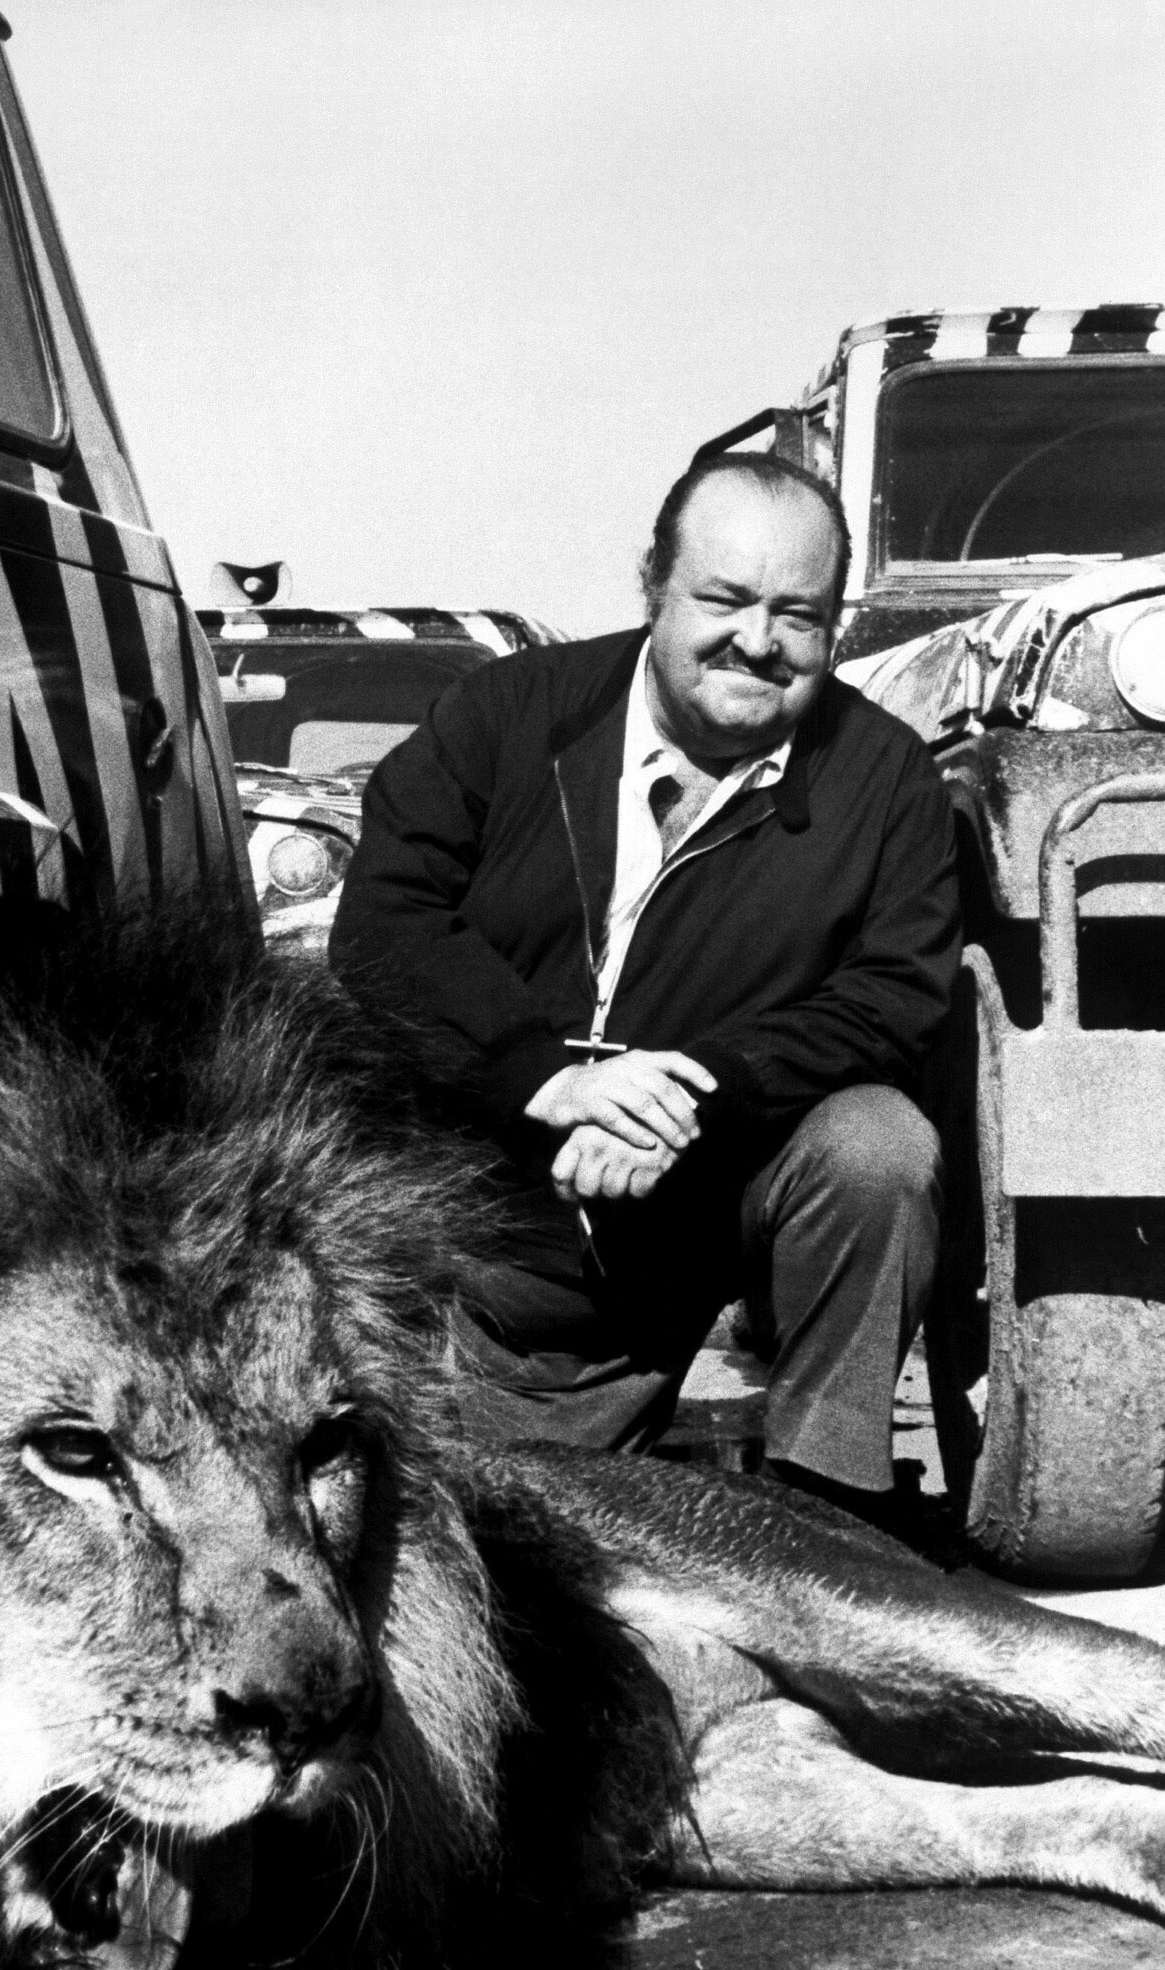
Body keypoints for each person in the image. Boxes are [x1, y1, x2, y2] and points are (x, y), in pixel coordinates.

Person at [328, 451, 960, 1525]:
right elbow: (385, 928)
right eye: (723, 599)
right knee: (489, 1540)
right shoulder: (508, 715)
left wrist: (695, 1089)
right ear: (653, 584)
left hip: (707, 1205)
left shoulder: (885, 777)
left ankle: (831, 1513)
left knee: (879, 1148)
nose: (758, 642)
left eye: (796, 614)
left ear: (834, 628)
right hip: (491, 1222)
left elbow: (896, 996)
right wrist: (539, 1078)